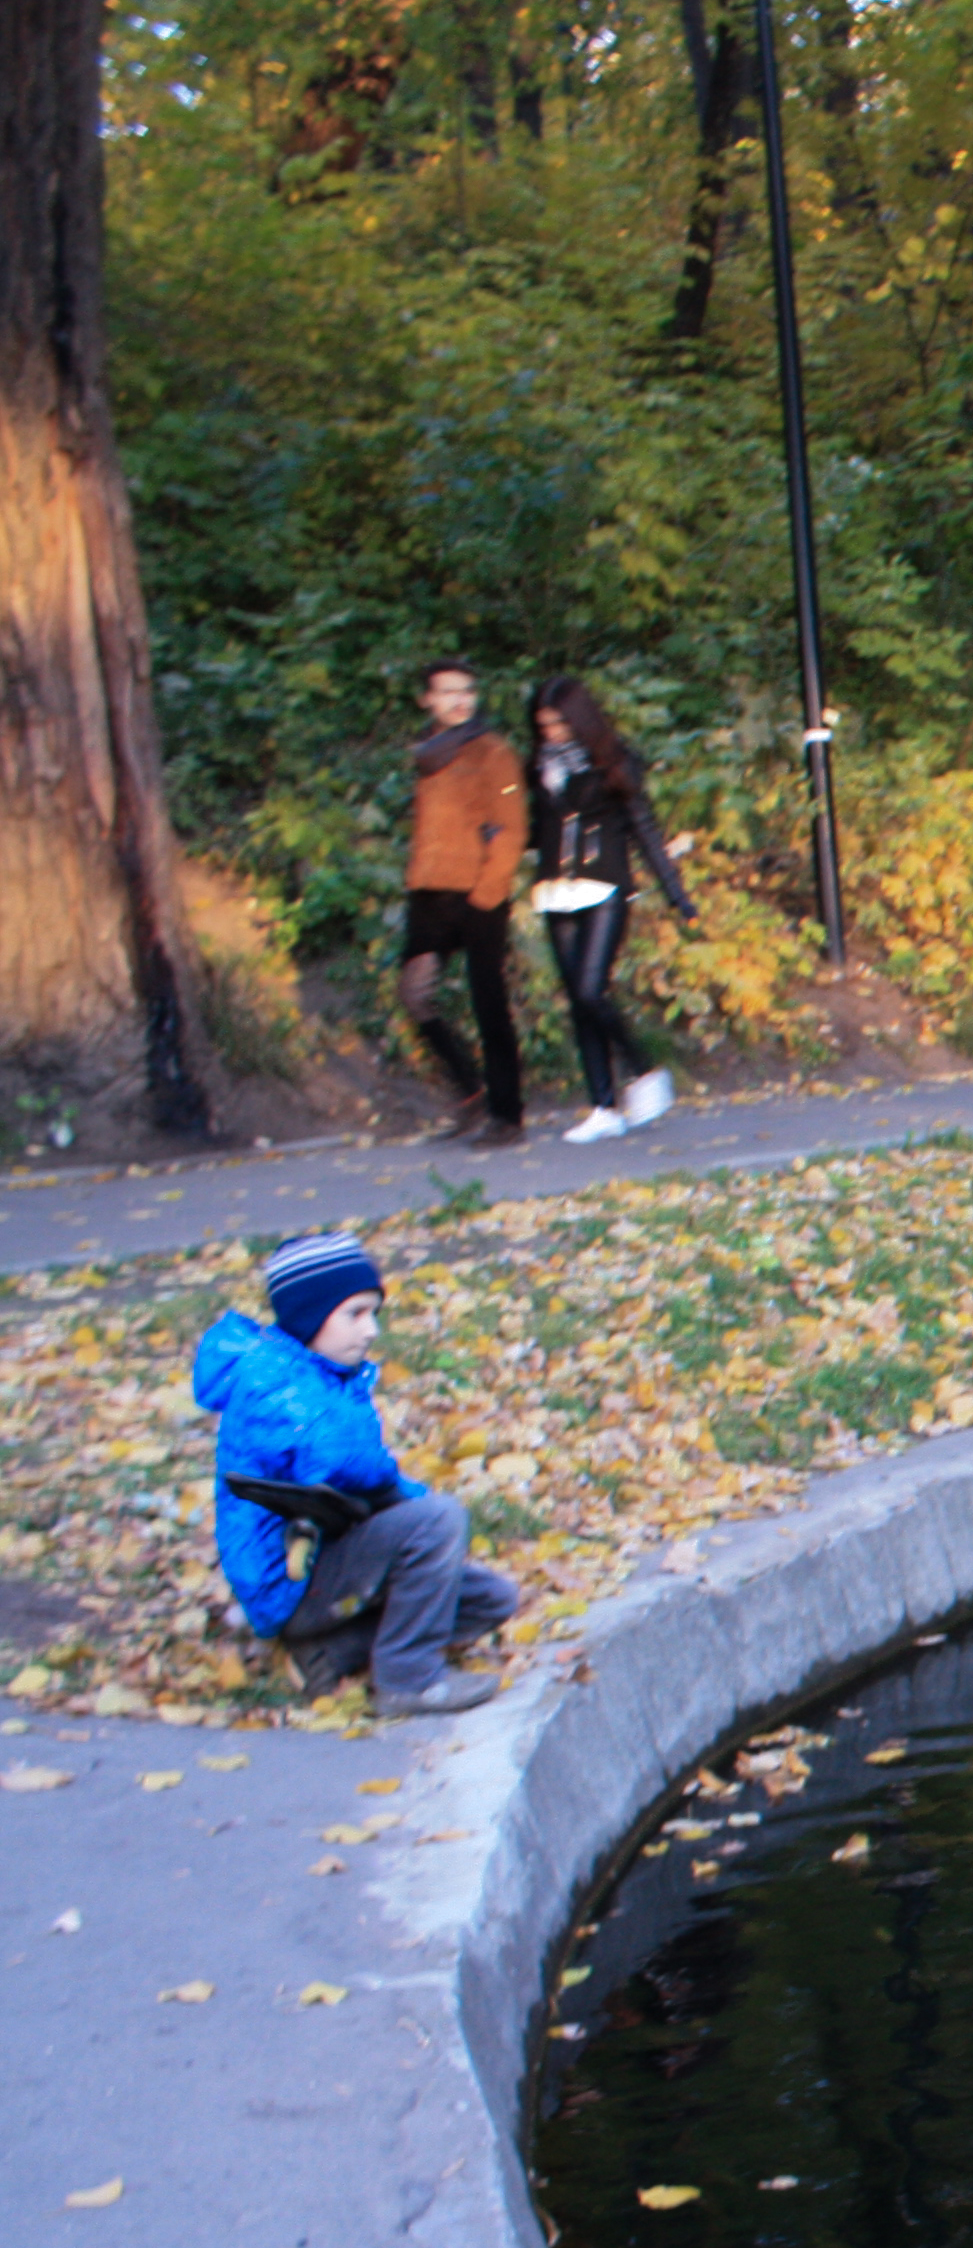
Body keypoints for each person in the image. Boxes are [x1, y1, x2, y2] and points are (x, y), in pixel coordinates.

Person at [192, 1233, 518, 1716]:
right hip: (290, 1582)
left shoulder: (321, 1375)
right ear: (307, 1314)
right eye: (355, 1314)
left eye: (374, 1313)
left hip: (324, 1564)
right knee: (434, 1521)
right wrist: (409, 1501)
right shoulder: (272, 1382)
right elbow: (337, 1459)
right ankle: (409, 1679)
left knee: (490, 1599)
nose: (371, 1331)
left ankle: (330, 1656)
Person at [520, 676, 693, 1144]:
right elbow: (538, 830)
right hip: (556, 890)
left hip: (606, 886)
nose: (552, 732)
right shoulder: (537, 766)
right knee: (578, 1000)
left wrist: (677, 895)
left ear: (580, 720)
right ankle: (602, 1106)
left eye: (559, 723)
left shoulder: (616, 764)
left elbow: (644, 828)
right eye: (543, 725)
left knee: (592, 989)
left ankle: (645, 1071)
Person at [402, 660, 529, 1147]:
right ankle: (470, 1097)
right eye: (448, 692)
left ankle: (507, 1115)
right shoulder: (429, 753)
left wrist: (488, 893)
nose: (460, 700)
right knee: (415, 994)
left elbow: (511, 828)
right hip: (429, 890)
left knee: (488, 1003)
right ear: (427, 700)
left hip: (478, 892)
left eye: (467, 691)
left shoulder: (492, 751)